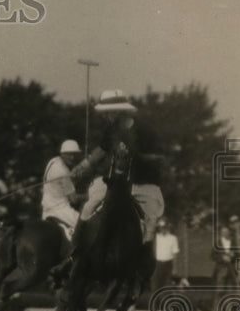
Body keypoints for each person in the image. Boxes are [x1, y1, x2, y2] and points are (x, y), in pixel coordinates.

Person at [50, 90, 165, 285]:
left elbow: (159, 158)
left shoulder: (145, 130)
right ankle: (72, 257)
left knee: (151, 223)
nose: (105, 116)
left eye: (108, 112)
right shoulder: (111, 130)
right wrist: (80, 168)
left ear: (119, 111)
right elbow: (99, 153)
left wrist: (134, 156)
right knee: (87, 207)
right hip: (115, 181)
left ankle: (142, 267)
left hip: (143, 184)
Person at [40, 139, 85, 240]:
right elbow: (74, 199)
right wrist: (88, 196)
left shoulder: (53, 161)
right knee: (86, 225)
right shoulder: (64, 172)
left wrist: (72, 178)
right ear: (62, 154)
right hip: (61, 211)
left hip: (46, 210)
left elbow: (60, 185)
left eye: (74, 155)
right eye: (69, 155)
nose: (72, 158)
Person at [208, 224, 239, 311]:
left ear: (229, 233)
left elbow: (238, 255)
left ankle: (229, 310)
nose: (225, 233)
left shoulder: (233, 243)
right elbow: (212, 256)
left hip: (231, 269)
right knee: (219, 289)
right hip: (221, 269)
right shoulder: (217, 243)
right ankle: (216, 309)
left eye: (226, 232)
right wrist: (222, 257)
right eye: (223, 232)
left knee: (230, 290)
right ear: (221, 233)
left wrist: (233, 255)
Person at [152, 218, 180, 289]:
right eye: (161, 228)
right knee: (155, 286)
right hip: (157, 265)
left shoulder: (173, 238)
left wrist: (175, 268)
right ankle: (156, 300)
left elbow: (175, 254)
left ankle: (166, 299)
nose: (162, 229)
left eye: (164, 227)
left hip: (168, 265)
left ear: (167, 227)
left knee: (167, 286)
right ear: (159, 228)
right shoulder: (156, 237)